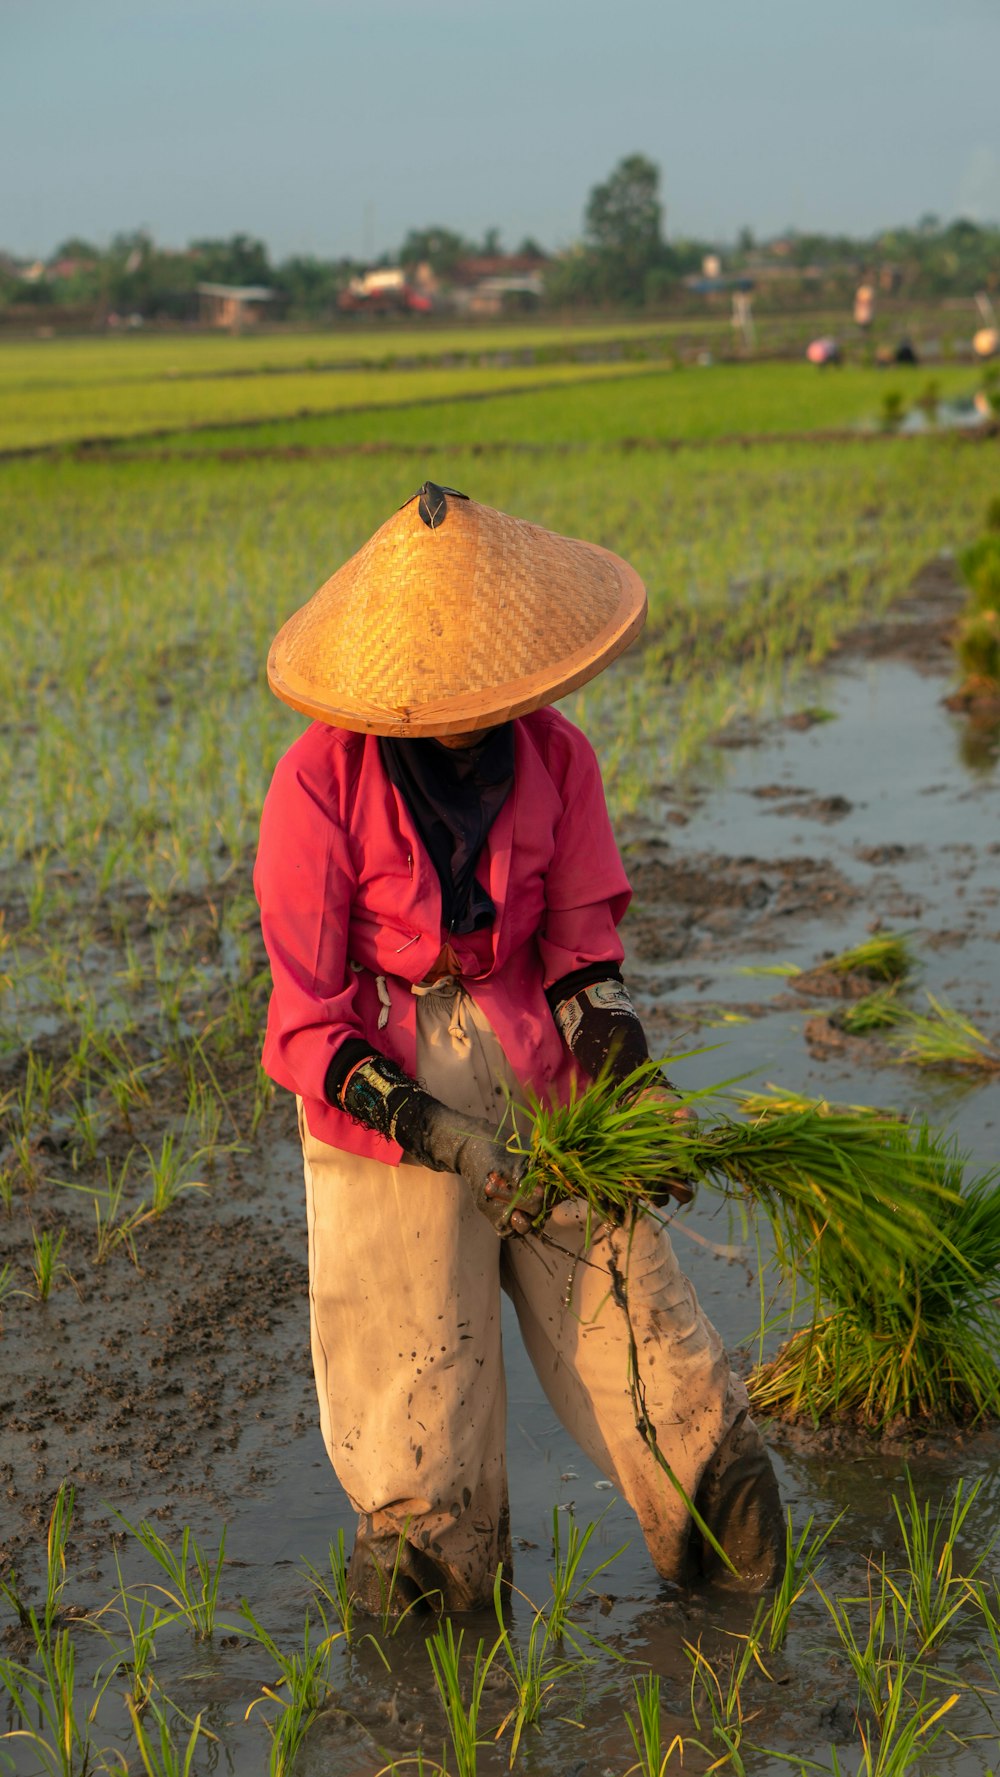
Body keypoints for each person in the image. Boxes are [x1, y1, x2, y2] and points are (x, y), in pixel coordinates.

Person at [254, 482, 784, 1612]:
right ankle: (442, 1660)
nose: (470, 706)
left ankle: (732, 1582)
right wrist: (442, 1137)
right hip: (385, 1101)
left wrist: (635, 1090)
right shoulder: (316, 784)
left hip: (537, 1066)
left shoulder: (555, 758)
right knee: (421, 1411)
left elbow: (583, 958)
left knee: (647, 1331)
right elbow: (309, 1020)